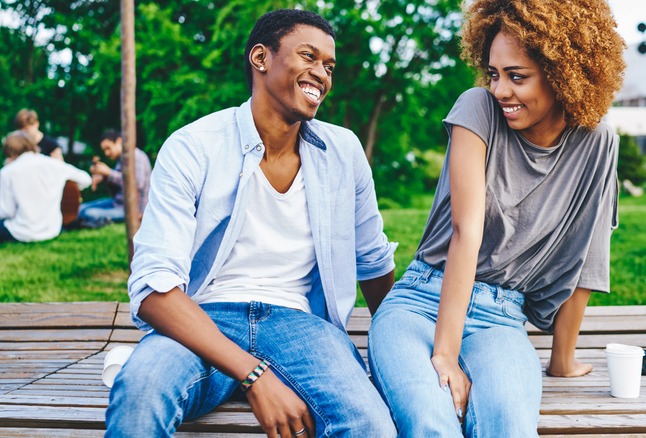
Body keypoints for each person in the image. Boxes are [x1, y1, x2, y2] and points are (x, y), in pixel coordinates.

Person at [104, 9, 397, 438]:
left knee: (371, 425)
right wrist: (254, 376)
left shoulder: (343, 151)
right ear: (261, 58)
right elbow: (153, 289)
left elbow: (373, 262)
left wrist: (399, 364)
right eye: (308, 57)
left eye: (329, 66)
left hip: (304, 327)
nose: (322, 74)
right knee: (141, 388)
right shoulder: (193, 147)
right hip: (203, 319)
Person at [368, 0, 625, 435]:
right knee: (431, 421)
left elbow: (590, 251)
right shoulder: (478, 108)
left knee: (507, 425)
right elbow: (466, 229)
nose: (500, 89)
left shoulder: (597, 141)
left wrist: (562, 359)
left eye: (517, 76)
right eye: (493, 73)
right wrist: (444, 355)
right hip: (419, 303)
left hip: (501, 319)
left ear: (563, 73)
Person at [0, 131, 91, 243]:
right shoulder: (54, 164)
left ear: (10, 152)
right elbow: (86, 179)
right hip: (52, 230)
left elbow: (6, 211)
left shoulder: (7, 172)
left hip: (21, 232)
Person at [77, 129, 151, 228]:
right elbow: (119, 185)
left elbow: (138, 183)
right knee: (80, 208)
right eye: (104, 150)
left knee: (89, 213)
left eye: (108, 148)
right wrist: (103, 178)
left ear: (119, 141)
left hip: (133, 209)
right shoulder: (121, 159)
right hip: (118, 203)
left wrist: (109, 173)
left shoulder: (135, 156)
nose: (107, 153)